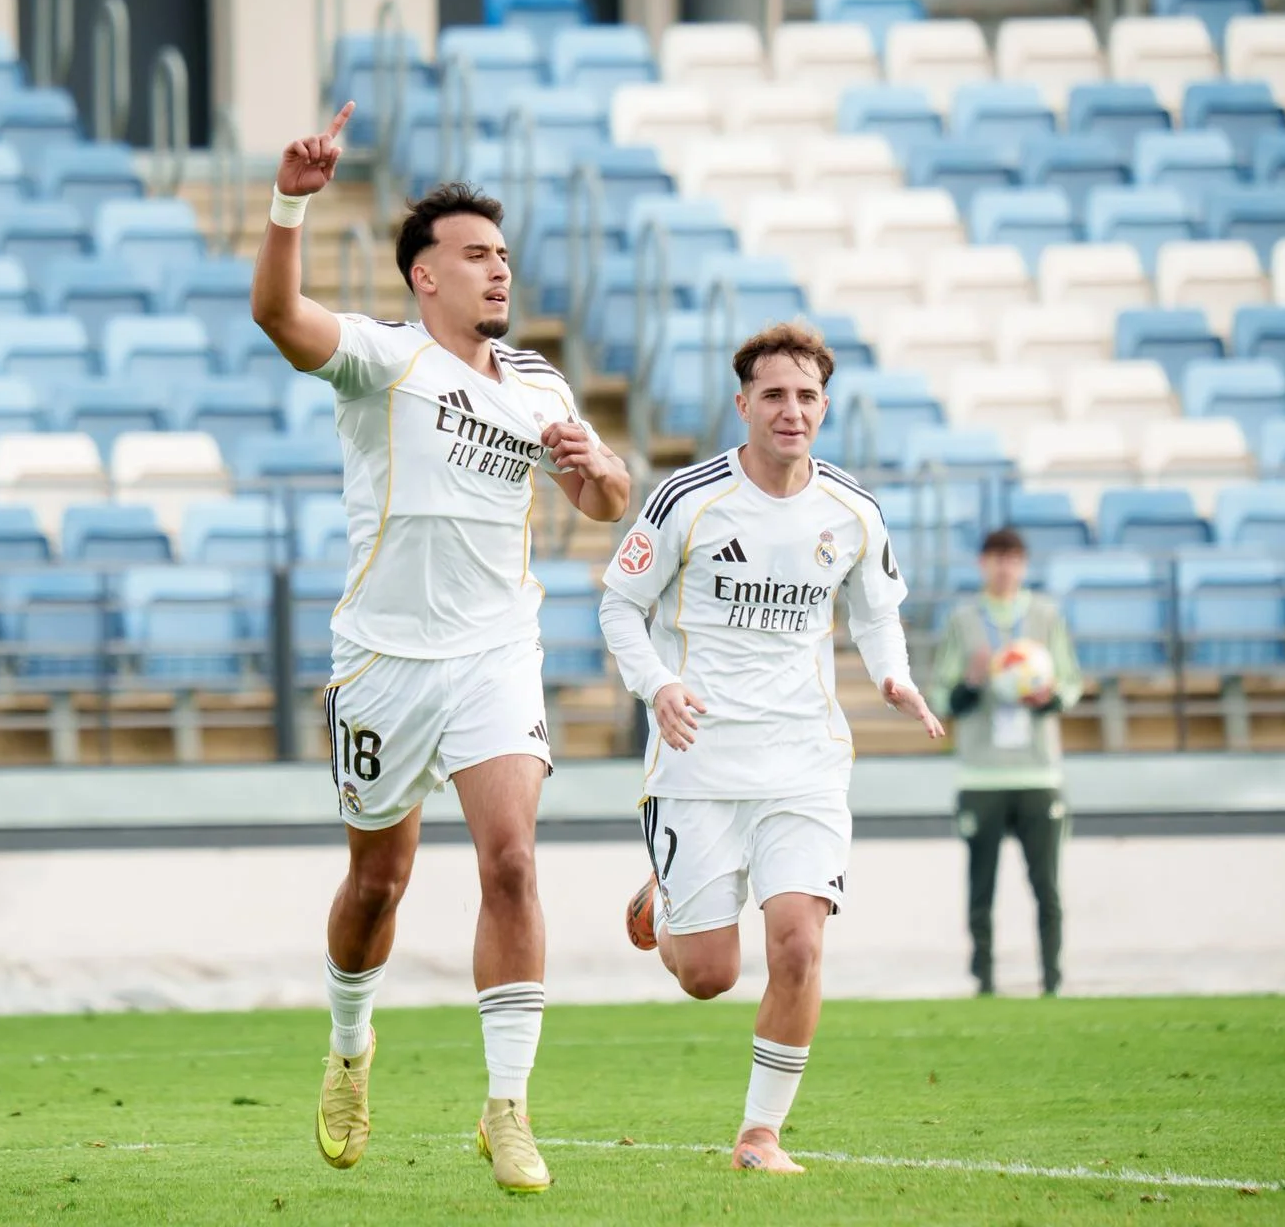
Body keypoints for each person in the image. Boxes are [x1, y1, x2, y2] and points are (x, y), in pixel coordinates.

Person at [250, 103, 630, 1194]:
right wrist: (289, 204)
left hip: (494, 651)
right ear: (426, 278)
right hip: (381, 659)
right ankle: (349, 1048)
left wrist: (589, 465)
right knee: (380, 879)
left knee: (511, 859)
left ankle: (506, 1105)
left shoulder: (541, 383)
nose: (497, 270)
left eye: (503, 254)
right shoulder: (384, 363)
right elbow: (278, 312)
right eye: (474, 255)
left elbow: (607, 501)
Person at [599, 321, 944, 1175]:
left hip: (805, 760)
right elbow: (618, 607)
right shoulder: (689, 498)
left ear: (825, 406)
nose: (793, 411)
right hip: (701, 763)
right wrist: (659, 686)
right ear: (743, 403)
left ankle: (760, 1135)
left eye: (808, 396)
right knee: (710, 975)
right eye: (775, 395)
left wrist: (893, 676)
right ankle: (665, 908)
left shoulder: (852, 509)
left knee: (798, 943)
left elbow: (873, 610)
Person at [927, 527, 1083, 997]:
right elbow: (940, 695)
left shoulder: (1045, 616)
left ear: (1024, 565)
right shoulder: (964, 619)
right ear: (982, 564)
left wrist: (1046, 696)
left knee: (1047, 886)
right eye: (996, 557)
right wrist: (971, 684)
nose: (1004, 567)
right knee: (981, 887)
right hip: (981, 775)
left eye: (1013, 558)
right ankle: (984, 983)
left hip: (1038, 773)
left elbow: (1071, 685)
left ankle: (1053, 982)